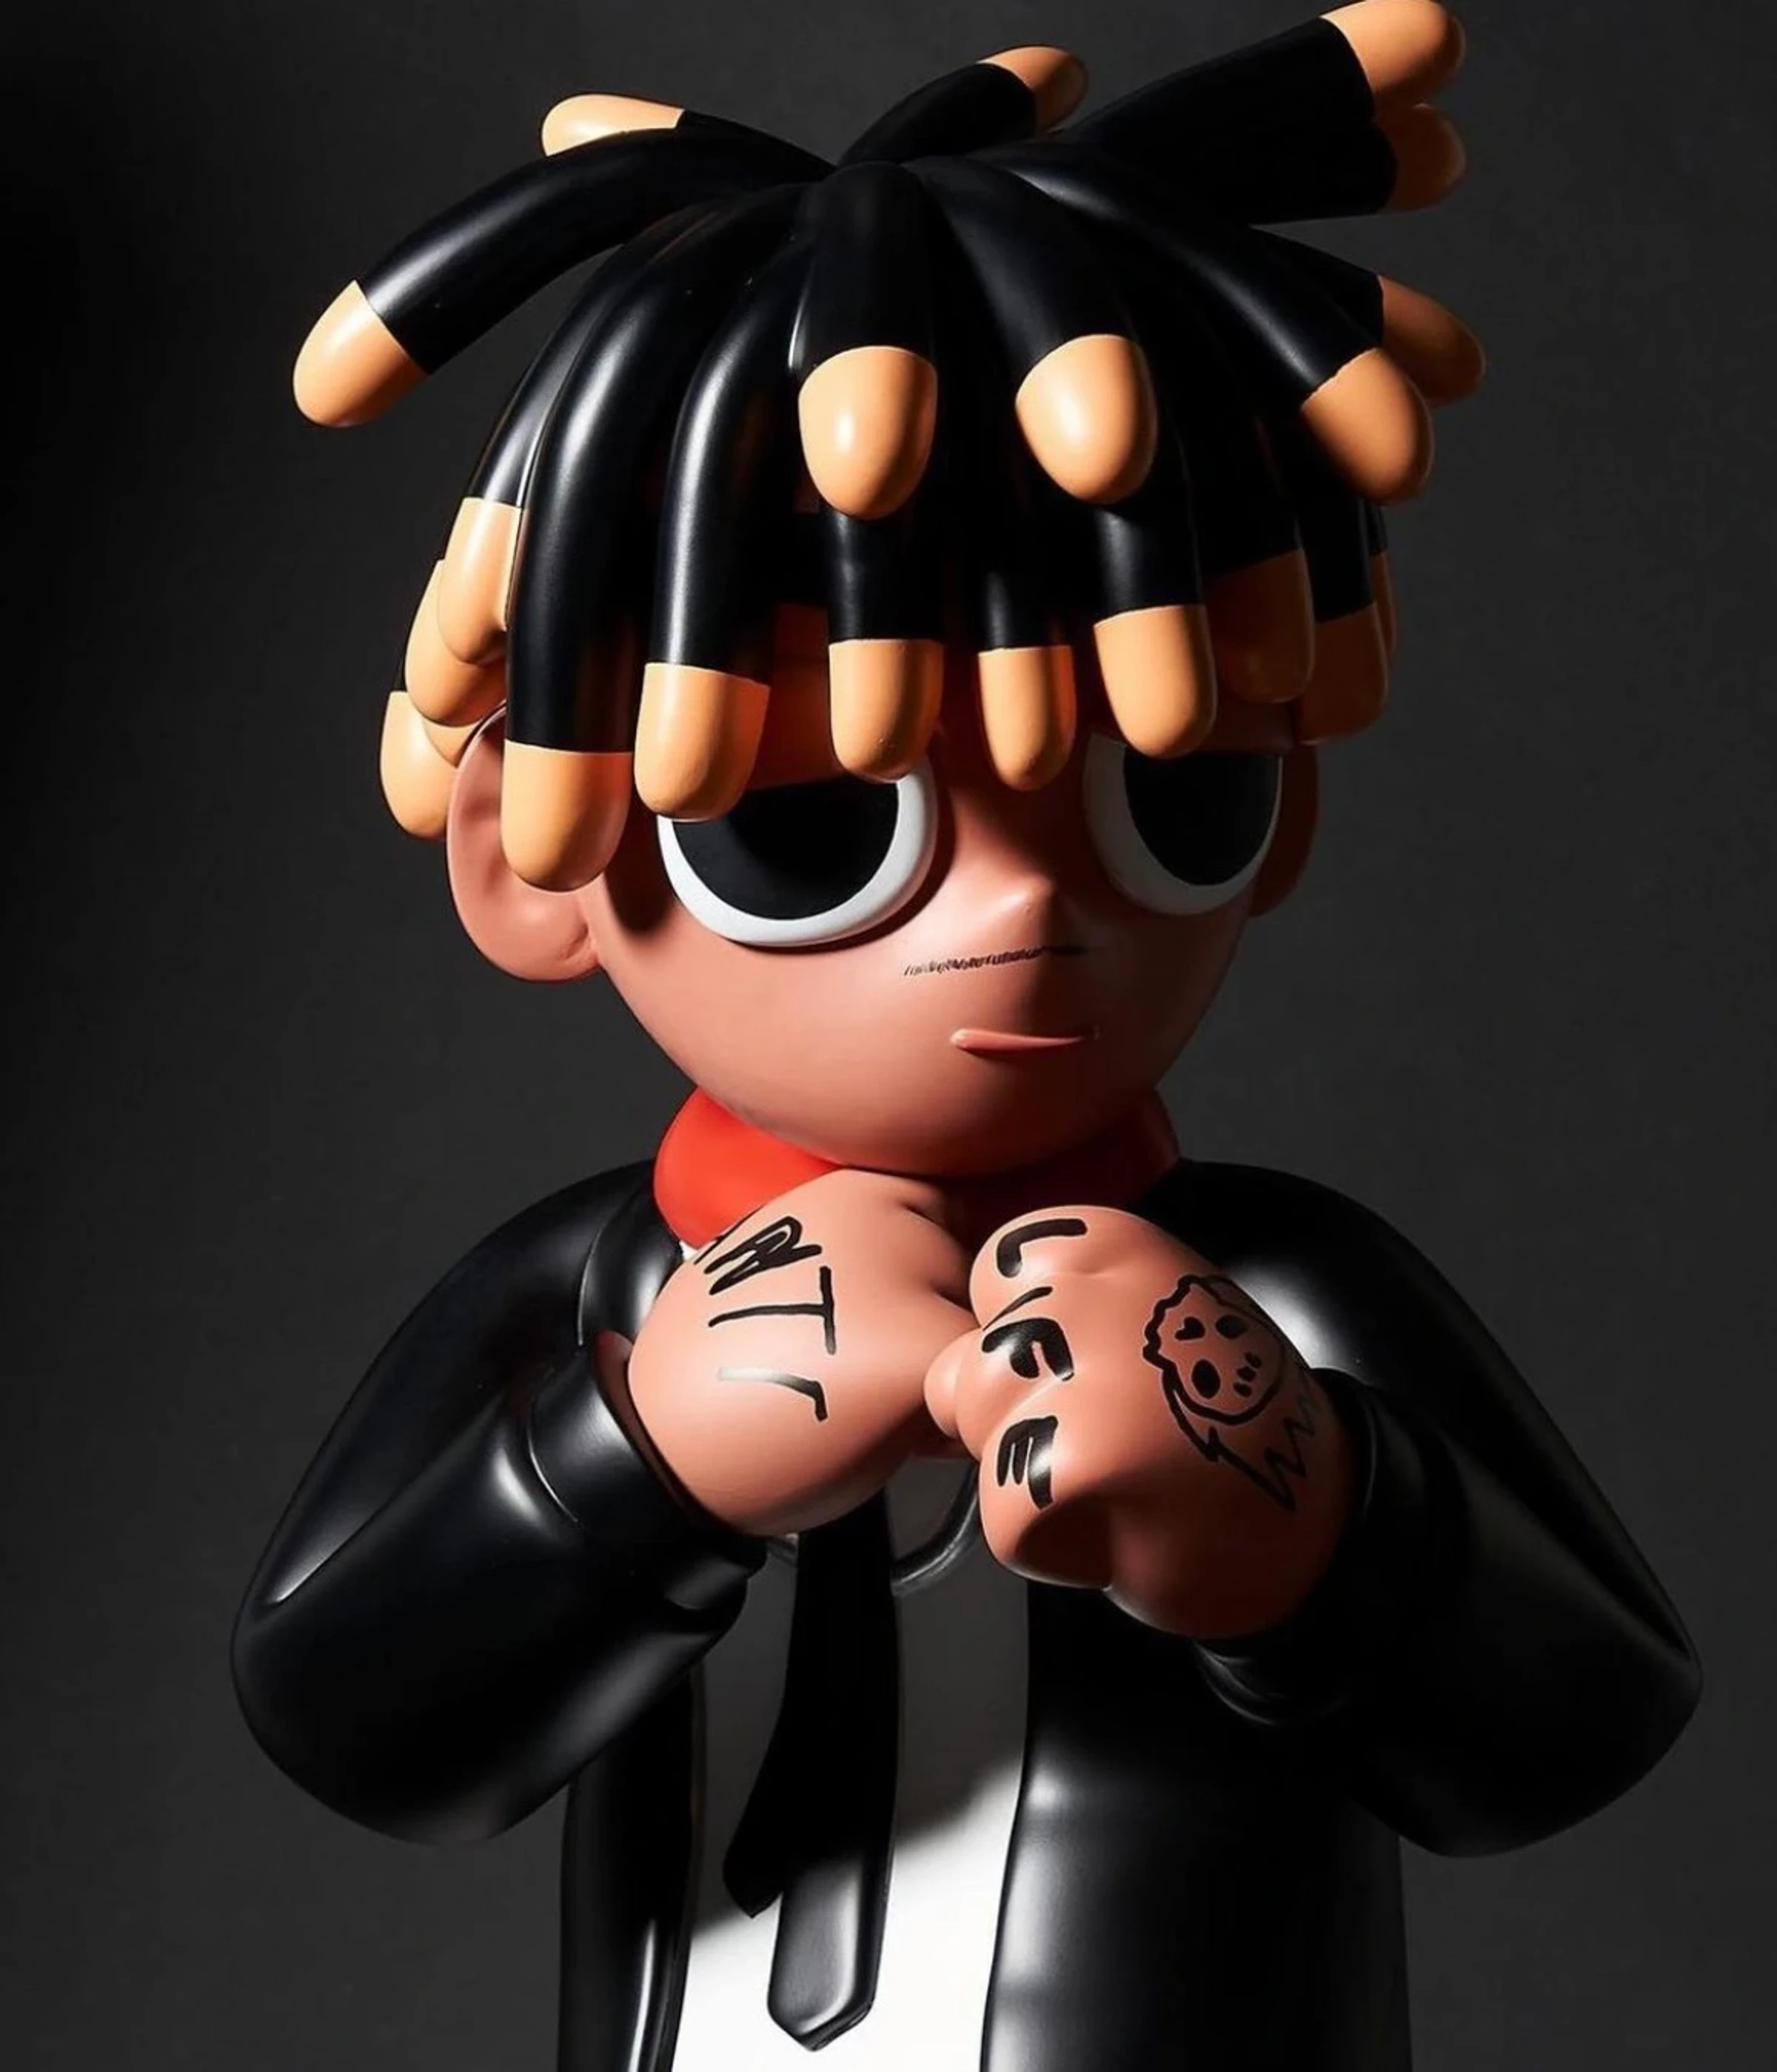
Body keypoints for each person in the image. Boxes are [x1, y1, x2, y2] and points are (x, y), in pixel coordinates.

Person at [235, 7, 1699, 2067]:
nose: (1021, 910)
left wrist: (1306, 1517)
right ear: (531, 862)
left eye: (1164, 796)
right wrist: (628, 1469)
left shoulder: (1279, 1289)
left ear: (1280, 808)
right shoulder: (592, 1296)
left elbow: (1577, 1720)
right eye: (821, 832)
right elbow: (354, 1717)